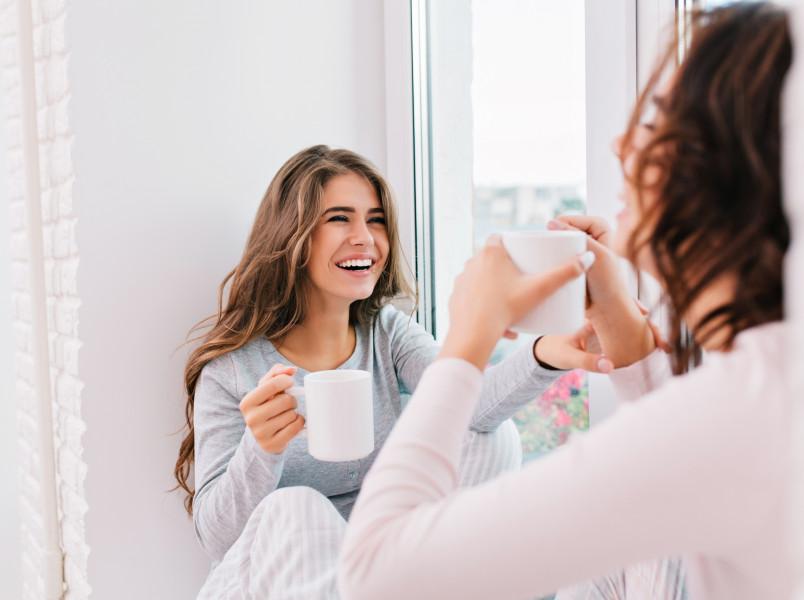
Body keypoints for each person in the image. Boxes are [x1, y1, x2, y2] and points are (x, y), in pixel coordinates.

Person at [337, 3, 793, 600]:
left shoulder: (741, 412)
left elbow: (375, 573)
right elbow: (679, 460)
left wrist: (469, 336)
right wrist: (626, 335)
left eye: (658, 124)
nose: (621, 144)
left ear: (738, 174)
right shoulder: (770, 382)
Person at [173, 144, 620, 597]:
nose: (366, 237)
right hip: (270, 581)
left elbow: (471, 401)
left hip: (373, 577)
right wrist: (261, 450)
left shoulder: (387, 333)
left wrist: (547, 352)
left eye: (376, 219)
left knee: (490, 436)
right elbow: (218, 540)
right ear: (292, 236)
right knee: (296, 507)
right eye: (339, 218)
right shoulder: (231, 370)